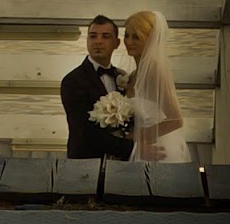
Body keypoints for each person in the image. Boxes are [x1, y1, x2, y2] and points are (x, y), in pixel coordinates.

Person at [60, 14, 134, 159]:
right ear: (87, 40)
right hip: (86, 163)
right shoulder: (73, 80)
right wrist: (132, 147)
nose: (98, 41)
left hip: (120, 165)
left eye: (105, 36)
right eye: (93, 36)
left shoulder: (122, 77)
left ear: (117, 43)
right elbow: (84, 131)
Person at [122, 10, 187, 162]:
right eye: (126, 35)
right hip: (141, 148)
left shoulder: (154, 71)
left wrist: (135, 136)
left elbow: (176, 120)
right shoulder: (132, 75)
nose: (129, 42)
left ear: (150, 39)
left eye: (136, 37)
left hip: (157, 148)